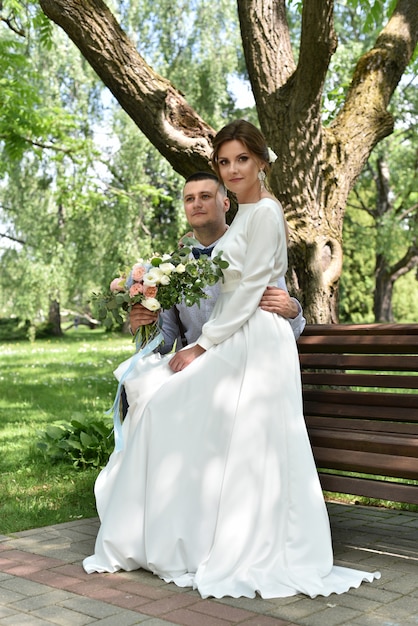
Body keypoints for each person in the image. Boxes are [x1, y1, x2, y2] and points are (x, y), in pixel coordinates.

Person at [83, 120, 380, 598]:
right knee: (164, 404)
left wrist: (202, 347)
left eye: (242, 158)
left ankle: (209, 538)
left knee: (193, 417)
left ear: (261, 161)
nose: (234, 168)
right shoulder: (236, 222)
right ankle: (183, 530)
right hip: (236, 339)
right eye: (225, 161)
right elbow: (178, 326)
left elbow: (251, 296)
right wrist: (144, 314)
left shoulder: (263, 213)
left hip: (251, 340)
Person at [129, 170, 306, 354]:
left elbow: (285, 328)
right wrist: (142, 327)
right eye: (189, 199)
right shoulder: (169, 269)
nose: (196, 204)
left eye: (205, 196)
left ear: (225, 204)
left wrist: (292, 311)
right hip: (190, 368)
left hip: (244, 365)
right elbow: (163, 344)